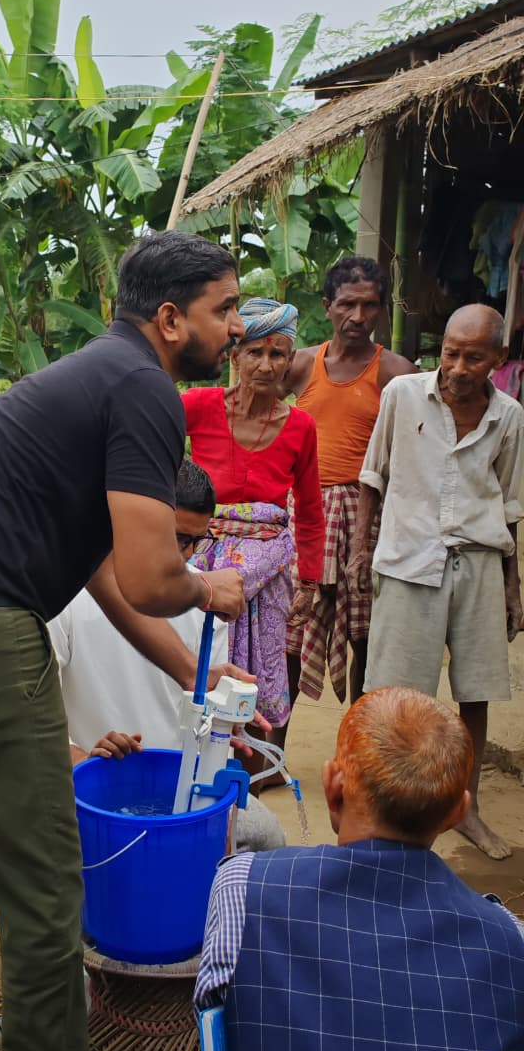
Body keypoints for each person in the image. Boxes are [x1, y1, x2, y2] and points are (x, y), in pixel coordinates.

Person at [0, 231, 250, 1051]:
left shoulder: (98, 374)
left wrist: (198, 669)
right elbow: (157, 578)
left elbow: (102, 572)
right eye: (222, 309)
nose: (233, 327)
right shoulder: (147, 390)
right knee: (47, 897)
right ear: (169, 318)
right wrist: (211, 587)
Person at [195, 687, 524, 1051]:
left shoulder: (244, 888)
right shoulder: (510, 942)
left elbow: (213, 1030)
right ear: (457, 813)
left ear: (334, 788)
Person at [348, 304, 524, 861]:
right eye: (451, 352)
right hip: (407, 559)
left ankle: (463, 806)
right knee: (393, 694)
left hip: (477, 563)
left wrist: (512, 587)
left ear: (498, 359)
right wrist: (361, 549)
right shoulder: (403, 395)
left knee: (473, 692)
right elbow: (373, 475)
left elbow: (511, 503)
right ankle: (376, 802)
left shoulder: (510, 416)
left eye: (474, 357)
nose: (458, 366)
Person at [54, 458, 285, 851]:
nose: (187, 555)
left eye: (197, 540)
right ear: (136, 519)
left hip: (176, 798)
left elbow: (206, 715)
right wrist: (80, 759)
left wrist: (226, 722)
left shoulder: (204, 597)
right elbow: (29, 717)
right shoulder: (68, 593)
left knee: (268, 837)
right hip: (87, 800)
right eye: (177, 538)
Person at [182, 298, 324, 760]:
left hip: (268, 570)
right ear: (235, 356)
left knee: (264, 672)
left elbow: (308, 509)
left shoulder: (300, 426)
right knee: (193, 655)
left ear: (289, 360)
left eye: (278, 354)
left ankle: (255, 767)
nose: (266, 365)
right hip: (201, 559)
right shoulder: (198, 407)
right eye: (255, 352)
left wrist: (311, 580)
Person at [287, 256, 417, 708]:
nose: (357, 317)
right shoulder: (302, 364)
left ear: (381, 309)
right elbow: (258, 413)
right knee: (293, 627)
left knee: (365, 630)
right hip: (303, 511)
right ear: (328, 306)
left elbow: (413, 454)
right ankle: (271, 755)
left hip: (367, 514)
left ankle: (361, 752)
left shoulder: (397, 372)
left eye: (369, 305)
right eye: (347, 305)